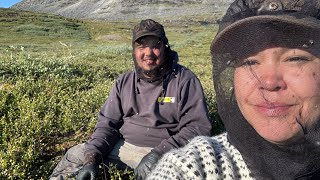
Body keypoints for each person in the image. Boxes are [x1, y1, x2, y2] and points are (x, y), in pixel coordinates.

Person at [147, 0, 320, 179]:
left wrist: (159, 150)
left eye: (295, 59)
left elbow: (197, 124)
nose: (268, 82)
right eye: (249, 62)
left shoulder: (184, 79)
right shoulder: (193, 167)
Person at [49, 19, 212, 180]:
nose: (148, 53)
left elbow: (197, 127)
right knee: (76, 155)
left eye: (155, 46)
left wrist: (158, 154)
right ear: (134, 51)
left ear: (165, 48)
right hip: (123, 147)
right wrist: (92, 158)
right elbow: (107, 125)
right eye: (142, 46)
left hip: (166, 151)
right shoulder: (124, 81)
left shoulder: (185, 80)